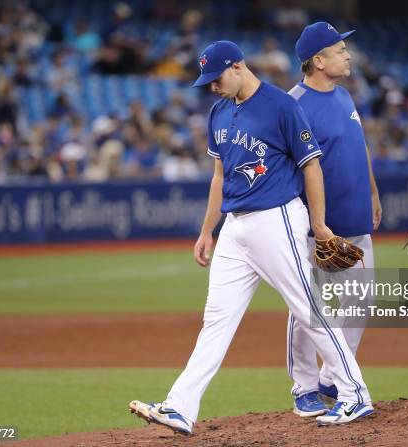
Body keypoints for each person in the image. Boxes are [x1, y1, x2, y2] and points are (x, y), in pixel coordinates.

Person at [128, 40, 373, 434]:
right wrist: (209, 229)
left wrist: (321, 225)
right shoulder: (219, 111)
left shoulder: (282, 106)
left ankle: (355, 393)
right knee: (216, 318)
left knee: (307, 307)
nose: (212, 86)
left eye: (217, 77)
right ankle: (180, 406)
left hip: (277, 219)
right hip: (235, 227)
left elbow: (312, 168)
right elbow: (219, 176)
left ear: (239, 67)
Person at [285, 22, 381, 417]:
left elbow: (358, 148)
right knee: (307, 309)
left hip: (356, 219)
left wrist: (373, 191)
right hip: (317, 228)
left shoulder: (343, 96)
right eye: (340, 50)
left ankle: (330, 376)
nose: (348, 55)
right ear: (317, 60)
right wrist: (311, 222)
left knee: (362, 300)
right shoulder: (293, 105)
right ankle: (305, 386)